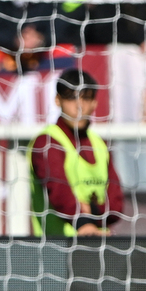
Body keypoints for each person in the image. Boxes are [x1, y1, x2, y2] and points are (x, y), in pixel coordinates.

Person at [28, 70, 125, 237]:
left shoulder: (99, 143)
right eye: (71, 97)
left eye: (85, 98)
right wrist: (83, 221)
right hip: (56, 248)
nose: (79, 105)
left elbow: (116, 205)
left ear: (94, 103)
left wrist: (92, 210)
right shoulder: (47, 142)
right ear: (57, 100)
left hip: (97, 244)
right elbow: (58, 191)